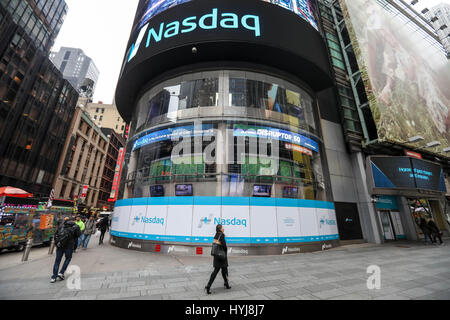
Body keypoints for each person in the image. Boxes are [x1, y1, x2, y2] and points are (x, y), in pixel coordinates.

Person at [51, 218, 81, 283]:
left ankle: (53, 277)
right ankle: (61, 272)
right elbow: (77, 237)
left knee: (57, 261)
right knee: (68, 259)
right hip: (69, 247)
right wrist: (75, 247)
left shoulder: (61, 228)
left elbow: (55, 236)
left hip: (60, 246)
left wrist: (57, 244)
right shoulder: (74, 228)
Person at [205, 224, 231, 294]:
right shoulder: (221, 235)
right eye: (222, 228)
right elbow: (224, 246)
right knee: (224, 270)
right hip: (222, 256)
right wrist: (225, 252)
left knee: (216, 271)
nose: (223, 228)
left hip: (216, 256)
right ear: (220, 229)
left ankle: (208, 285)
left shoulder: (216, 235)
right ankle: (226, 283)